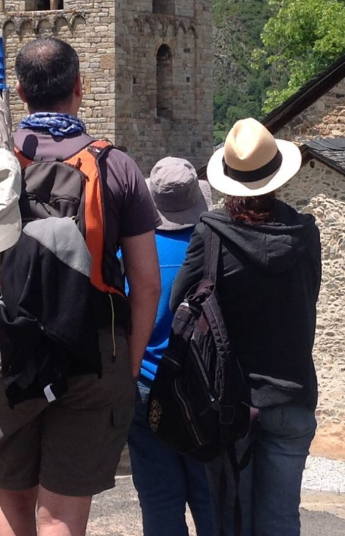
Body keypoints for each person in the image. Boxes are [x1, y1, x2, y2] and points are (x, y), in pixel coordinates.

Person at [0, 37, 162, 536]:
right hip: (93, 355)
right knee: (61, 514)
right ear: (79, 88)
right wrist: (127, 359)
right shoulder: (116, 167)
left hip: (8, 349)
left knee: (10, 508)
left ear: (19, 92)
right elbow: (147, 283)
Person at [171, 118, 321, 536]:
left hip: (229, 400)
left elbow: (177, 303)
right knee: (281, 520)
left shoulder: (212, 233)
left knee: (232, 519)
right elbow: (308, 298)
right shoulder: (306, 233)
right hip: (293, 394)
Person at [129, 158, 216, 536]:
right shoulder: (217, 247)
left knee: (160, 499)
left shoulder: (132, 251)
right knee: (211, 494)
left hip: (148, 383)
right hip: (204, 384)